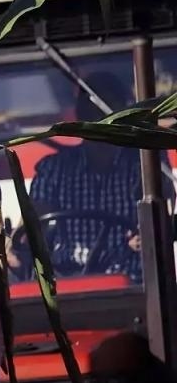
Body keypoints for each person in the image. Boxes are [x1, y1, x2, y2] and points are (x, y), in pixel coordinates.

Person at [25, 73, 146, 279]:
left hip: (129, 282)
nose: (98, 120)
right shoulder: (54, 170)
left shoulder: (141, 168)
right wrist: (17, 244)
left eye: (105, 110)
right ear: (80, 115)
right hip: (66, 281)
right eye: (91, 111)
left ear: (122, 116)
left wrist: (145, 236)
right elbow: (33, 226)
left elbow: (156, 223)